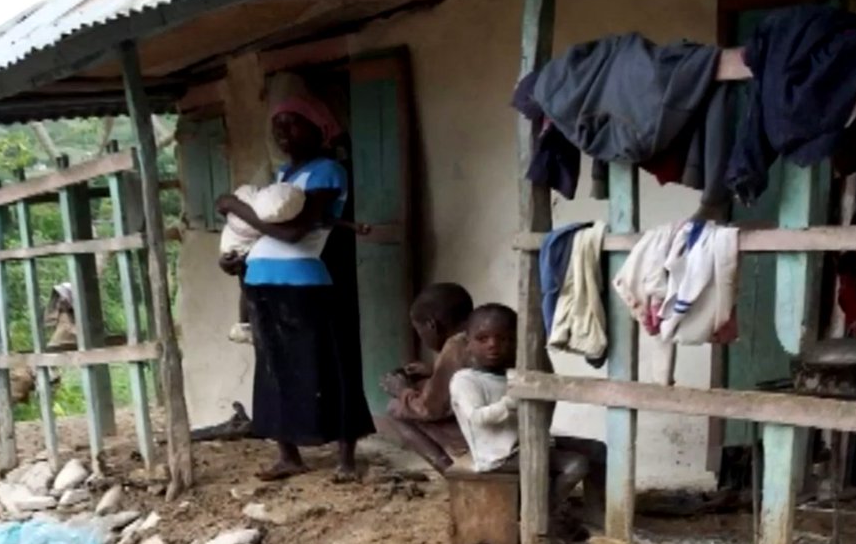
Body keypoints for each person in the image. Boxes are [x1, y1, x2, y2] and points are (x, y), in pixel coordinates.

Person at [216, 93, 374, 482]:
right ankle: (289, 454)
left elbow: (294, 232)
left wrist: (238, 208)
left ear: (319, 128)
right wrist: (233, 260)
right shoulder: (284, 178)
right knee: (274, 370)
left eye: (292, 122)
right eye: (277, 124)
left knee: (330, 364)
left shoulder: (328, 172)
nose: (282, 131)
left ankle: (346, 460)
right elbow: (264, 234)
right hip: (262, 283)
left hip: (306, 285)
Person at [450, 304, 588, 506]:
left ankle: (596, 513)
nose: (493, 345)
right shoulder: (465, 380)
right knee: (576, 464)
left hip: (526, 443)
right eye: (482, 339)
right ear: (468, 343)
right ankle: (548, 512)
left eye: (504, 339)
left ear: (516, 343)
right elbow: (477, 419)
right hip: (499, 456)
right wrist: (512, 400)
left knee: (598, 451)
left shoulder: (513, 375)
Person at [377, 283, 475, 473]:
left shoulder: (455, 346)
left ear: (431, 325)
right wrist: (433, 371)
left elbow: (428, 409)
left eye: (419, 330)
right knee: (421, 389)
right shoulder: (476, 334)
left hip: (482, 433)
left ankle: (453, 475)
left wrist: (402, 390)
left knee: (396, 408)